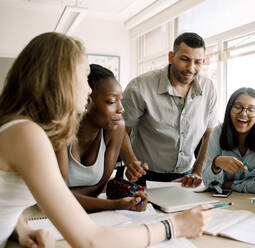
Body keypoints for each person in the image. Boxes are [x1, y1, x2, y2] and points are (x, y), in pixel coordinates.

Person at [0, 32, 214, 248]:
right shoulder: (27, 134)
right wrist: (174, 226)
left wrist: (21, 229)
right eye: (84, 77)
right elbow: (90, 240)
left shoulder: (20, 127)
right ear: (61, 79)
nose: (89, 89)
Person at [121, 32, 218, 187]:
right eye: (185, 59)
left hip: (187, 177)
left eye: (197, 62)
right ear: (171, 56)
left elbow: (209, 135)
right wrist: (131, 162)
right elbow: (121, 129)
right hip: (144, 176)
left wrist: (198, 171)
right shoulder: (140, 86)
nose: (191, 68)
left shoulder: (209, 88)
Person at [55, 64, 147, 212]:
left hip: (90, 213)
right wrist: (116, 205)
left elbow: (97, 188)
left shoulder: (116, 128)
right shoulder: (60, 131)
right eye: (111, 102)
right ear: (85, 100)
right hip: (43, 216)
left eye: (120, 100)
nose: (121, 109)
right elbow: (58, 198)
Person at [202, 87, 255, 194]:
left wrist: (230, 184)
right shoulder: (218, 132)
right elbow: (208, 182)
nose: (243, 113)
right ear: (230, 109)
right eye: (238, 107)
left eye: (251, 110)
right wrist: (216, 164)